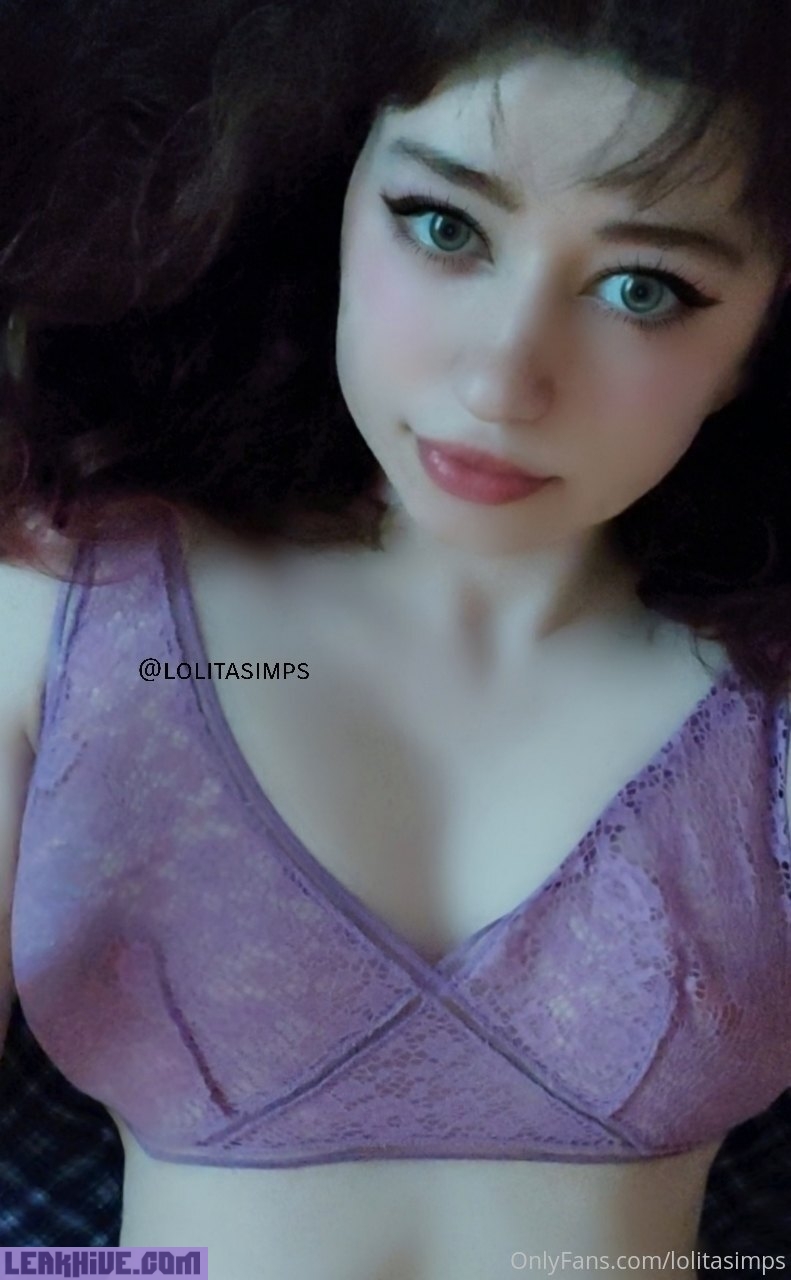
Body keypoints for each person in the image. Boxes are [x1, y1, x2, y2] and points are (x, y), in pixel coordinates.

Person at [1, 0, 791, 1274]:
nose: (499, 382)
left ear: (759, 334)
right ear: (334, 189)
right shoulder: (68, 600)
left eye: (640, 287)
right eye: (442, 225)